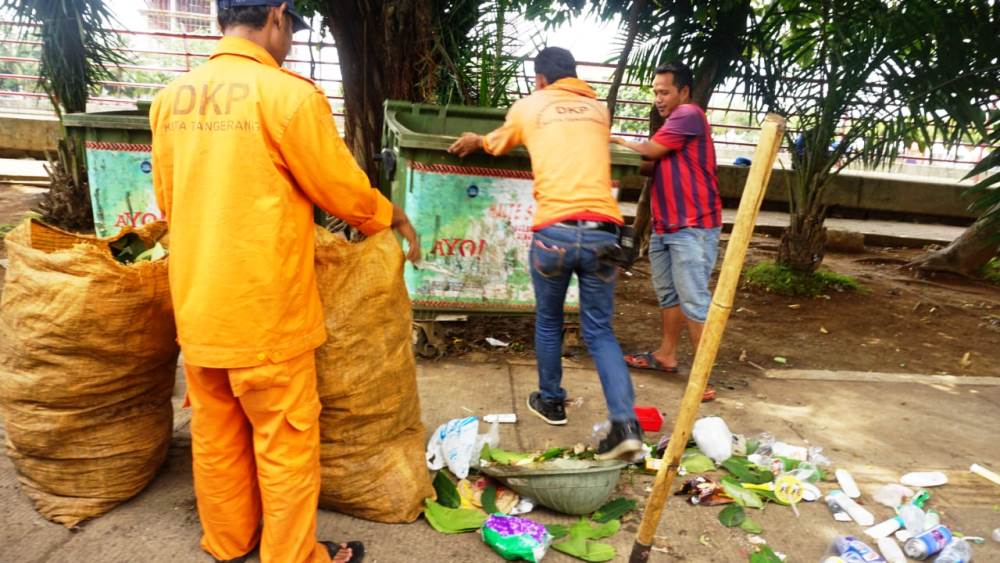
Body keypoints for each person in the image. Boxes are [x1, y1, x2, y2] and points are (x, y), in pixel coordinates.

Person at [149, 2, 419, 562]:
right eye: (292, 26)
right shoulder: (288, 96)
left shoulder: (170, 98)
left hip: (199, 308)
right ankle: (293, 556)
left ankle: (228, 542)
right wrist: (386, 214)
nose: (291, 39)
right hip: (266, 312)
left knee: (216, 433)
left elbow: (169, 201)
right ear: (275, 15)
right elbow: (339, 189)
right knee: (285, 441)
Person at [448, 47, 643, 461]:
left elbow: (496, 144)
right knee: (600, 332)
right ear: (575, 75)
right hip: (604, 233)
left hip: (554, 231)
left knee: (550, 320)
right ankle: (625, 424)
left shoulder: (529, 106)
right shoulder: (598, 111)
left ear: (540, 79)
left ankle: (551, 400)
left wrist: (475, 141)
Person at [611, 61, 722, 402]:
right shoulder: (673, 124)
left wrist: (613, 139)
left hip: (692, 226)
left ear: (684, 92)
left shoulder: (688, 113)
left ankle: (702, 377)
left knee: (694, 299)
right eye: (655, 92)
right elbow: (650, 162)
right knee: (670, 294)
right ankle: (666, 355)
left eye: (665, 92)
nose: (658, 99)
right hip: (667, 225)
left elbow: (650, 152)